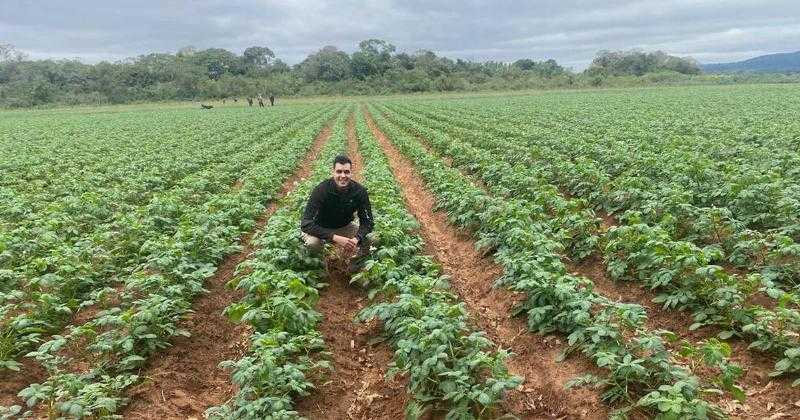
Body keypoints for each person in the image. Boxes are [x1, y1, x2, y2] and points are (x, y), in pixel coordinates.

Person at [300, 155, 373, 268]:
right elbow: (306, 224)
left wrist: (356, 239)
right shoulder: (321, 190)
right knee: (313, 243)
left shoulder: (359, 191)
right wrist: (336, 238)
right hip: (319, 227)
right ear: (333, 172)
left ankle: (352, 267)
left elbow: (367, 222)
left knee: (368, 240)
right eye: (339, 171)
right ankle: (319, 267)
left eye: (346, 172)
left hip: (344, 226)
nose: (343, 176)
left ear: (351, 172)